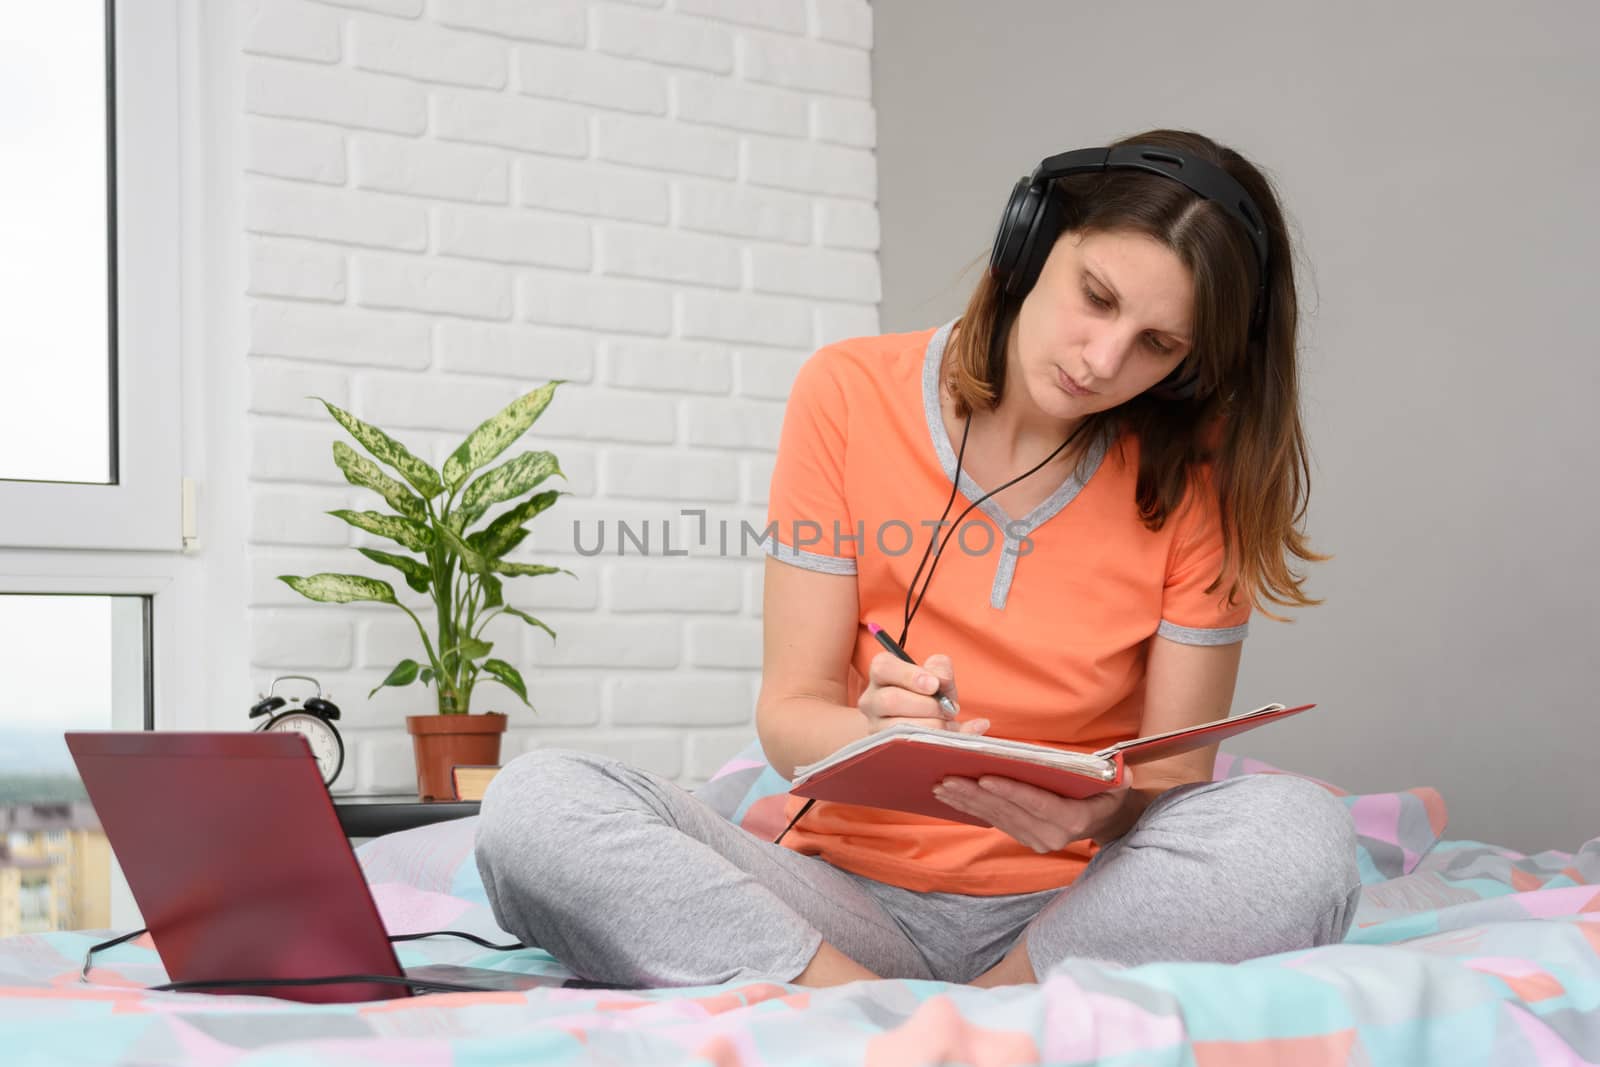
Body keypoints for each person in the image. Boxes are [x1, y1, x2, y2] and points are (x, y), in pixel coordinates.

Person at [474, 128, 1362, 990]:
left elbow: (1173, 782)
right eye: (1096, 296)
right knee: (535, 806)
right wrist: (874, 734)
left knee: (1304, 834)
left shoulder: (1202, 475)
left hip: (1072, 918)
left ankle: (947, 1019)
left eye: (1158, 346)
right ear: (1033, 238)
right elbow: (791, 714)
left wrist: (1113, 808)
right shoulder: (848, 391)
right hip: (841, 907)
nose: (1102, 359)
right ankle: (871, 1005)